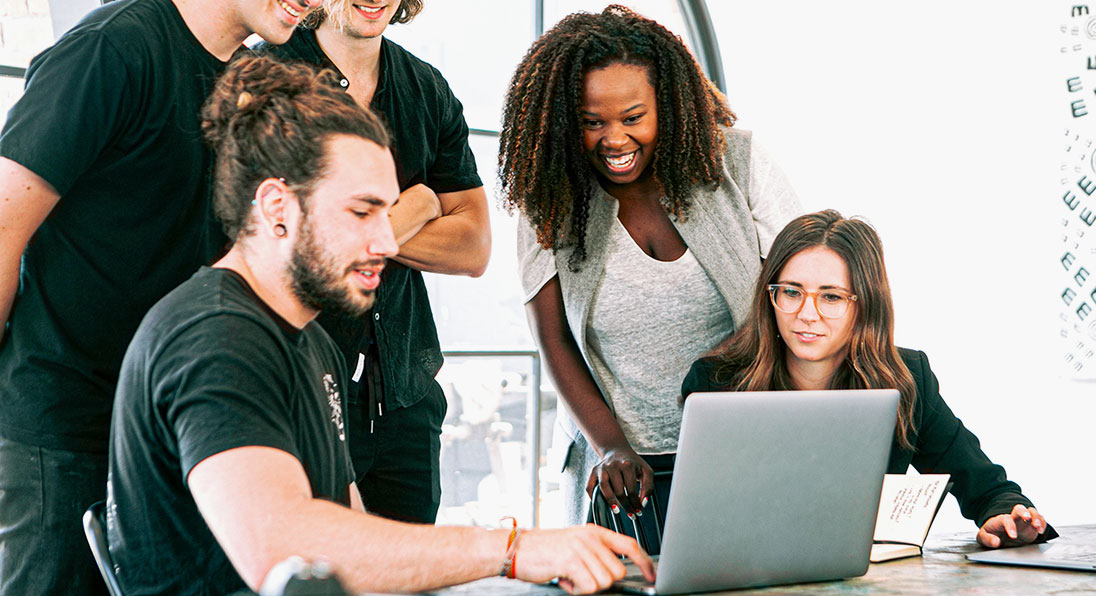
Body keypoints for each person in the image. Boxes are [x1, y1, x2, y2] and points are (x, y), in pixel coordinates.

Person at [107, 54, 652, 596]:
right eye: (361, 212)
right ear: (276, 207)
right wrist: (511, 550)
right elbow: (285, 551)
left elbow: (353, 535)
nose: (388, 241)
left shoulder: (312, 343)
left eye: (387, 211)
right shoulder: (215, 338)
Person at [0, 0, 321, 592]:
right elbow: (2, 227)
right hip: (67, 429)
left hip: (175, 431)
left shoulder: (250, 80)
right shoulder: (112, 48)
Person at [499, 5, 803, 525]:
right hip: (621, 469)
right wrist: (611, 447)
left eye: (633, 118)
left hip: (746, 445)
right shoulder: (549, 197)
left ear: (668, 104)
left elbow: (798, 297)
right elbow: (554, 340)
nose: (614, 139)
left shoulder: (739, 162)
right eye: (592, 122)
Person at [682, 209, 1058, 549]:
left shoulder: (906, 379)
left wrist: (1006, 516)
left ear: (864, 305)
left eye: (831, 297)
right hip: (747, 572)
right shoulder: (716, 383)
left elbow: (985, 486)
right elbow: (699, 518)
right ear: (770, 296)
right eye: (792, 292)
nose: (806, 314)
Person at [256, 0, 489, 524]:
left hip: (406, 397)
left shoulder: (426, 88)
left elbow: (474, 247)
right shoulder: (263, 77)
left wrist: (348, 229)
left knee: (410, 565)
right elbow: (281, 238)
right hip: (299, 394)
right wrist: (419, 205)